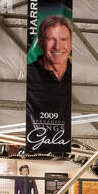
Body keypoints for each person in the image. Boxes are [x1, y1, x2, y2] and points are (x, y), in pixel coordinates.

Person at [26, 14, 73, 152]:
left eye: (63, 39)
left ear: (70, 43)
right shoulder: (28, 74)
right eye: (51, 39)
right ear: (41, 42)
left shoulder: (79, 77)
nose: (57, 46)